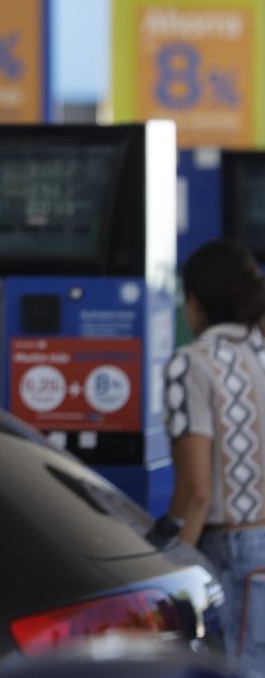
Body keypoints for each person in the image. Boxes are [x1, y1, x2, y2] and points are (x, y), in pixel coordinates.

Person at [164, 238, 265, 675]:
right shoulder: (260, 352)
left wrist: (169, 567)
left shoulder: (193, 363)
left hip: (231, 552)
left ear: (193, 303)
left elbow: (196, 492)